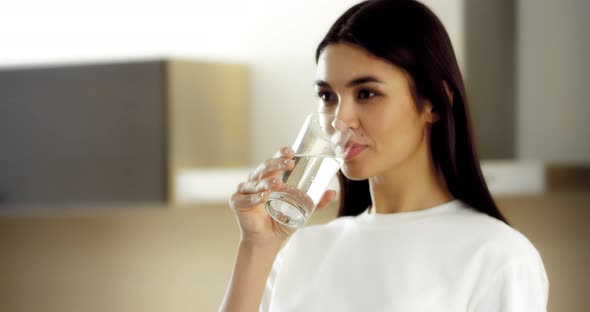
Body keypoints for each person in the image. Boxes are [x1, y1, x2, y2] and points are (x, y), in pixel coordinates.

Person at [220, 0, 549, 311]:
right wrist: (257, 246)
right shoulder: (302, 251)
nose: (340, 119)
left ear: (433, 102)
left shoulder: (497, 255)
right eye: (327, 95)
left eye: (366, 93)